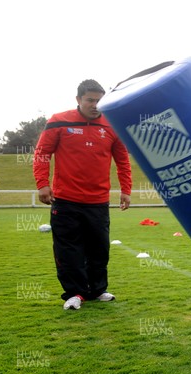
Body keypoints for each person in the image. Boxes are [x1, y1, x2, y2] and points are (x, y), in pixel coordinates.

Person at [33, 79, 132, 311]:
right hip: (65, 200)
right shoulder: (58, 121)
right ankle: (75, 293)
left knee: (99, 248)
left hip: (98, 201)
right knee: (69, 249)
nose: (95, 105)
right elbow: (42, 153)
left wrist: (126, 189)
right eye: (90, 100)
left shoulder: (112, 125)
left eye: (99, 100)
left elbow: (123, 161)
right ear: (78, 99)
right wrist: (42, 184)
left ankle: (98, 290)